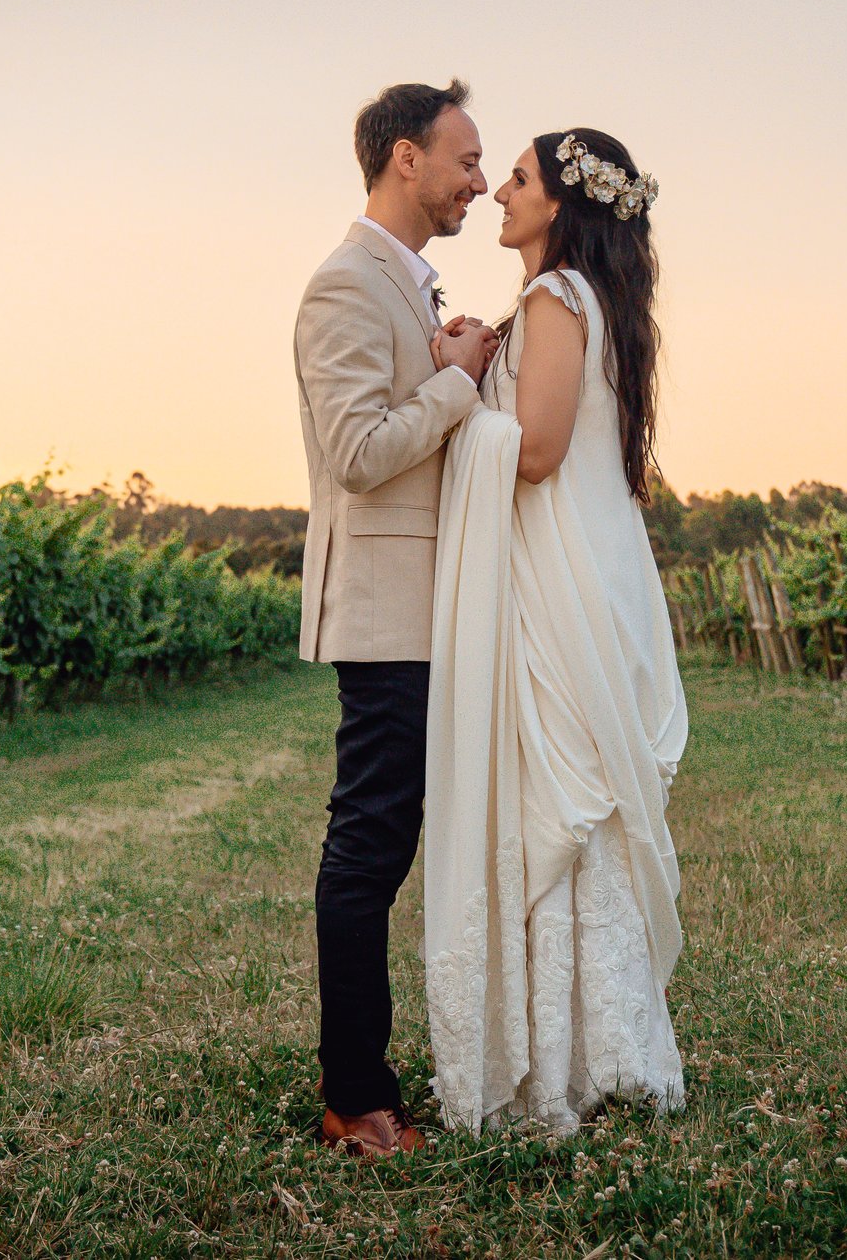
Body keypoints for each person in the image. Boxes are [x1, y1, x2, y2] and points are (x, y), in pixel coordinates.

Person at [423, 127, 688, 1134]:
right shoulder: (583, 302)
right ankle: (592, 1046)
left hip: (556, 579)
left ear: (560, 206)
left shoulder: (553, 298)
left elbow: (531, 452)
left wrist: (459, 381)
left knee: (553, 800)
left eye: (519, 179)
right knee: (572, 812)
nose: (499, 192)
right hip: (584, 563)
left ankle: (566, 1062)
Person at [291, 79, 499, 1159]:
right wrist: (456, 379)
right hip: (385, 614)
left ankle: (365, 1074)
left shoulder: (403, 288)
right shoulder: (343, 285)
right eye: (465, 159)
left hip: (429, 609)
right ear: (404, 159)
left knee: (392, 837)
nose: (477, 179)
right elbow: (359, 456)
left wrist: (446, 353)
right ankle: (353, 1095)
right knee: (368, 845)